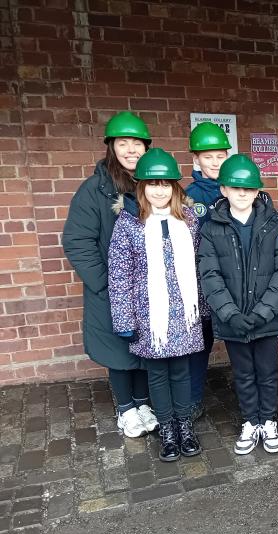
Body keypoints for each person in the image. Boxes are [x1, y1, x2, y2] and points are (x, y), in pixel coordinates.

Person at [63, 111, 157, 438]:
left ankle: (143, 403)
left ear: (146, 147)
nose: (131, 150)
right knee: (118, 351)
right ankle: (126, 409)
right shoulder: (94, 190)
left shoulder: (152, 185)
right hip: (111, 288)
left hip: (146, 288)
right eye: (123, 143)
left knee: (144, 347)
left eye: (137, 144)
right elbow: (77, 241)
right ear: (111, 147)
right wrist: (105, 284)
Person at [107, 148, 206, 462]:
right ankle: (167, 429)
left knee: (181, 372)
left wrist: (203, 310)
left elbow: (199, 267)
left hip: (184, 314)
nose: (159, 190)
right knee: (158, 374)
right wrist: (124, 320)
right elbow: (119, 274)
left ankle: (184, 425)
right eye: (152, 184)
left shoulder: (189, 220)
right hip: (149, 315)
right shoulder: (128, 223)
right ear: (141, 186)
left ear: (174, 187)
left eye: (165, 184)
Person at [199, 154, 278, 455]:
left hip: (266, 319)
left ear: (257, 191)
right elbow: (210, 275)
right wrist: (230, 314)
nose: (242, 193)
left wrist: (263, 312)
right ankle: (250, 421)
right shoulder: (211, 228)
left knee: (267, 372)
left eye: (248, 188)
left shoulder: (274, 225)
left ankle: (268, 420)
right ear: (223, 190)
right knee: (242, 374)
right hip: (233, 320)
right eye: (235, 187)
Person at [184, 121, 232, 422]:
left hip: (234, 281)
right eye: (208, 156)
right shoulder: (189, 196)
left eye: (220, 156)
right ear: (196, 159)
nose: (215, 162)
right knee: (199, 342)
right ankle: (191, 399)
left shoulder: (237, 188)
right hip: (201, 283)